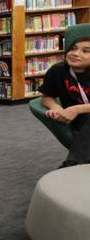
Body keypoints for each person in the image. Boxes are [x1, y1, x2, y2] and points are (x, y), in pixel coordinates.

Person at [39, 35, 90, 167]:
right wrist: (56, 108)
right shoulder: (58, 71)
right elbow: (46, 97)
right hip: (78, 121)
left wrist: (76, 109)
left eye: (86, 51)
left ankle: (72, 164)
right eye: (73, 49)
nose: (75, 54)